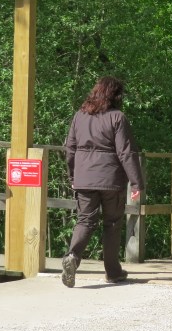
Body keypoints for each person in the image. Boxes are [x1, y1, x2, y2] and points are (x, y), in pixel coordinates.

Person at [61, 76, 144, 288]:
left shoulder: (79, 116)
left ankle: (72, 256)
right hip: (111, 180)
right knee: (113, 224)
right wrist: (136, 183)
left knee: (85, 221)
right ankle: (113, 272)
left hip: (84, 179)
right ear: (115, 95)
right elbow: (125, 152)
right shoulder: (117, 117)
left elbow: (70, 148)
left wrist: (73, 177)